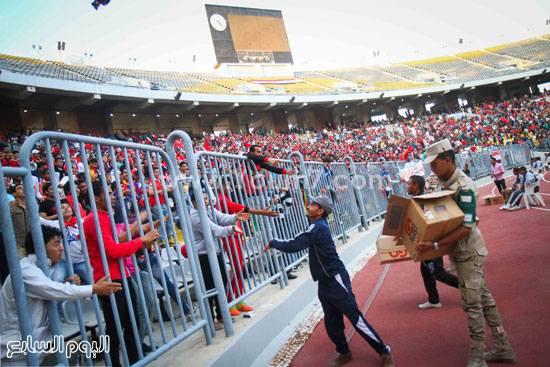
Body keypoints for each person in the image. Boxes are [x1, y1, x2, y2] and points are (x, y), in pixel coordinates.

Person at [263, 196, 395, 367]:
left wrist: (273, 242)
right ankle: (344, 352)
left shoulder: (318, 227)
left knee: (356, 319)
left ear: (320, 211)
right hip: (324, 283)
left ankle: (384, 352)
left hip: (335, 279)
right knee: (332, 323)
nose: (308, 206)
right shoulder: (315, 226)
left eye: (312, 205)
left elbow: (294, 244)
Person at [417, 139, 516, 367]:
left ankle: (478, 357)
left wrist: (434, 246)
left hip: (468, 252)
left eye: (435, 164)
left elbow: (466, 227)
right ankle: (503, 347)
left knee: (472, 305)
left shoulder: (464, 186)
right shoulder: (445, 182)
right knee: (484, 300)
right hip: (460, 252)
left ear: (448, 160)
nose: (432, 169)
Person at [0, 226, 122, 366]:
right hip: (15, 352)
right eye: (56, 244)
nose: (62, 248)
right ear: (39, 247)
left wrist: (66, 284)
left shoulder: (40, 269)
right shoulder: (25, 271)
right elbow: (53, 290)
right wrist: (93, 289)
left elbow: (48, 290)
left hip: (29, 348)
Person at [84, 181, 160, 367]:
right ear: (96, 198)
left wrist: (139, 238)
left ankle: (134, 361)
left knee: (131, 323)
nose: (113, 197)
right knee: (115, 329)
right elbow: (112, 251)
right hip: (108, 280)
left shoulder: (104, 217)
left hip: (122, 276)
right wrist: (141, 240)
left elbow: (116, 243)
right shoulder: (93, 220)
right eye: (109, 193)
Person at [189, 188, 250, 331]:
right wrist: (231, 229)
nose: (206, 201)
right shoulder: (196, 216)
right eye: (203, 199)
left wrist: (235, 217)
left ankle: (222, 315)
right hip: (204, 256)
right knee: (209, 288)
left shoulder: (208, 209)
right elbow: (214, 229)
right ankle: (210, 321)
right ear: (194, 202)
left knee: (221, 283)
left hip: (216, 253)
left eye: (206, 198)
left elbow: (222, 218)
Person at [406, 175, 459, 309]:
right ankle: (434, 300)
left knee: (437, 272)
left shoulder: (423, 202)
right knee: (425, 271)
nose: (407, 186)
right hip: (425, 244)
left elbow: (430, 221)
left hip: (430, 244)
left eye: (409, 184)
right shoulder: (417, 201)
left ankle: (469, 288)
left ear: (416, 186)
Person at [9, 184, 30, 259]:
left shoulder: (31, 206)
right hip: (18, 243)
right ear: (14, 194)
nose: (23, 190)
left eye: (24, 188)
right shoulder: (11, 206)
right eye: (20, 188)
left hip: (31, 242)